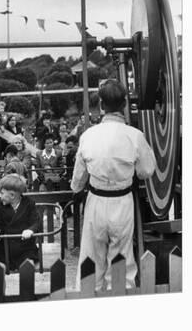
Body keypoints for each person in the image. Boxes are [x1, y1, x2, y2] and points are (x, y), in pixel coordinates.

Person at [71, 79, 157, 291]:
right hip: (122, 200)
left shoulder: (87, 136)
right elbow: (147, 171)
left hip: (96, 201)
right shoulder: (135, 136)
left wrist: (79, 186)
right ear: (125, 104)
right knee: (121, 257)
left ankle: (88, 300)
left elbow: (77, 182)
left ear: (100, 104)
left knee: (90, 257)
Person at [0, 174, 40, 271]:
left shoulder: (29, 204)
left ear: (12, 195)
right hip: (5, 247)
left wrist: (30, 230)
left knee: (28, 267)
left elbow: (36, 221)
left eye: (2, 193)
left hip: (25, 246)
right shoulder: (0, 206)